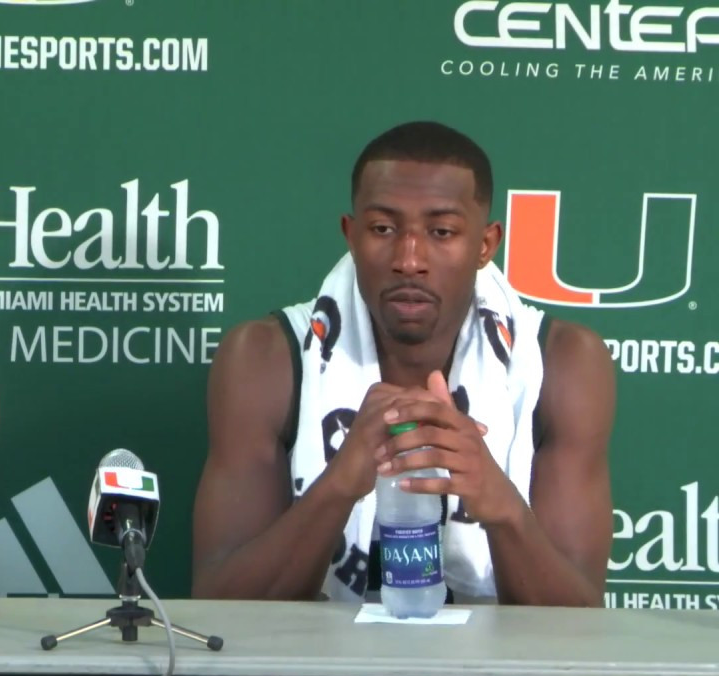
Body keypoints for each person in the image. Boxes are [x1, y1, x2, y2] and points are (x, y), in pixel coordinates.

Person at [191, 121, 614, 606]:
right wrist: (339, 486)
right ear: (350, 235)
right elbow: (220, 606)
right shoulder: (265, 358)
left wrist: (502, 507)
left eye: (442, 231)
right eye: (383, 229)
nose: (409, 259)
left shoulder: (561, 363)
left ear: (485, 245)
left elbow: (580, 624)